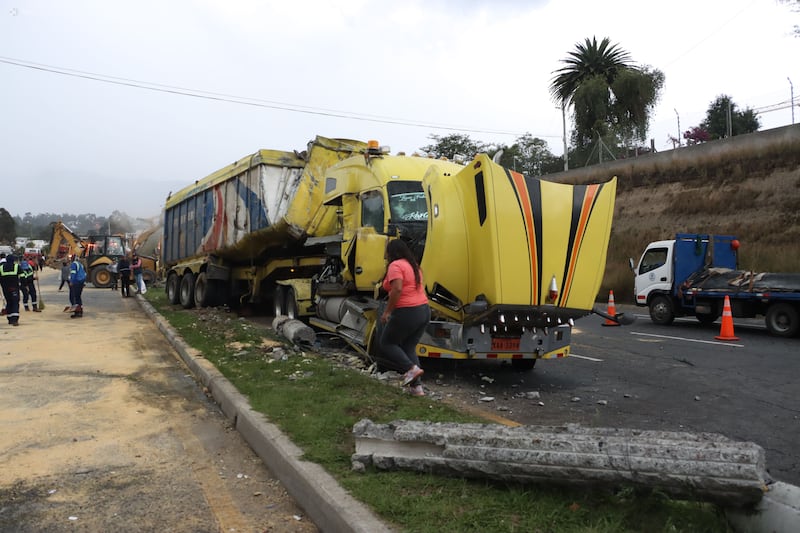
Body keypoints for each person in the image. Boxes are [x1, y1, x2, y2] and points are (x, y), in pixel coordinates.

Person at [378, 239, 431, 396]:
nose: (385, 255)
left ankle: (411, 369)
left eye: (387, 251)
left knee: (387, 343)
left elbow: (397, 289)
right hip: (424, 310)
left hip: (407, 311)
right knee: (408, 346)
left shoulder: (395, 266)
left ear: (392, 252)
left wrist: (387, 312)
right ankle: (417, 388)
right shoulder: (414, 266)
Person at [0, 254, 21, 326]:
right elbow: (22, 275)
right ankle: (15, 319)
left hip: (5, 288)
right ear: (13, 260)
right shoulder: (16, 266)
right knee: (15, 302)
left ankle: (10, 319)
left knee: (9, 302)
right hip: (14, 287)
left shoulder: (1, 267)